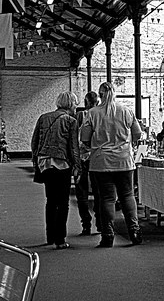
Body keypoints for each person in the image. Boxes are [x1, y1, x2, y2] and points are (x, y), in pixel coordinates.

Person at [81, 82, 143, 247]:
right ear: (115, 94)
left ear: (100, 95)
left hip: (101, 162)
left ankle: (108, 235)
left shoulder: (92, 113)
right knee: (127, 196)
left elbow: (84, 138)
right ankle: (134, 231)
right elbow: (137, 134)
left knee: (106, 198)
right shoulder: (126, 111)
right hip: (124, 161)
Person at [31, 91, 82, 249]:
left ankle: (50, 236)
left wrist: (36, 162)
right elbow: (74, 147)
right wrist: (77, 167)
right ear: (71, 104)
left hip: (44, 163)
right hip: (62, 164)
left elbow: (34, 142)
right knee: (63, 203)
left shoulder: (43, 117)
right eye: (75, 104)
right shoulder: (71, 121)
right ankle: (60, 239)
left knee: (50, 201)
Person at [74, 91, 100, 236]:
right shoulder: (101, 114)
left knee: (82, 193)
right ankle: (100, 223)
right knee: (98, 193)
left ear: (86, 102)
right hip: (97, 158)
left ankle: (86, 225)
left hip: (82, 158)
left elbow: (75, 136)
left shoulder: (81, 115)